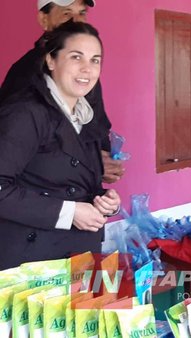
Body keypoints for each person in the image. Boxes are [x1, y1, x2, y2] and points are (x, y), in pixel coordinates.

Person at [0, 21, 121, 269]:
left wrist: (104, 201)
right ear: (51, 61)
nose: (87, 69)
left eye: (95, 60)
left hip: (77, 254)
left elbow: (73, 185)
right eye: (76, 57)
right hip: (32, 262)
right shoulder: (26, 113)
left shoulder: (86, 115)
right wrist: (70, 213)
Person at [0, 0, 125, 184]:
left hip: (83, 196)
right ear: (44, 20)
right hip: (41, 202)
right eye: (66, 14)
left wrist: (103, 159)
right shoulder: (24, 75)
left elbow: (97, 124)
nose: (76, 21)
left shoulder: (86, 72)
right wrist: (91, 165)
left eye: (81, 13)